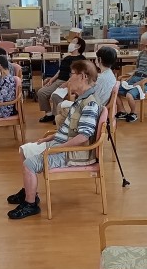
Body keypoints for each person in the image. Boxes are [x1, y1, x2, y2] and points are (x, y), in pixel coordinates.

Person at [7, 60, 100, 219]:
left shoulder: (89, 103)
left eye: (72, 74)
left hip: (72, 153)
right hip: (62, 144)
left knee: (29, 164)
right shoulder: (81, 99)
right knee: (25, 150)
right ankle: (29, 191)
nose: (69, 78)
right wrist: (53, 137)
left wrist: (57, 148)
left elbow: (83, 136)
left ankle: (30, 204)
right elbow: (71, 129)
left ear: (83, 76)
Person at [54, 45, 117, 127]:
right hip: (98, 106)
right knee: (60, 115)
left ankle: (69, 130)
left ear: (100, 59)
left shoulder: (101, 78)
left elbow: (89, 96)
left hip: (91, 110)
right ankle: (67, 129)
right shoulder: (110, 74)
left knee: (60, 107)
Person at [116, 31, 147, 122]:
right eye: (143, 45)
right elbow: (137, 69)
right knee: (114, 90)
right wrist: (129, 78)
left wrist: (142, 82)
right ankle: (122, 111)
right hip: (135, 78)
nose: (144, 48)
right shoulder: (142, 54)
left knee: (129, 95)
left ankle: (133, 113)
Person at [37, 37, 86, 123]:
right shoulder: (67, 58)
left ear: (78, 46)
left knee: (56, 96)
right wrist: (52, 79)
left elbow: (76, 75)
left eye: (73, 42)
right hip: (59, 81)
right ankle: (49, 114)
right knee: (41, 92)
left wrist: (67, 83)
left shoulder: (81, 60)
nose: (70, 44)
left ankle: (58, 116)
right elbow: (60, 70)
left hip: (71, 83)